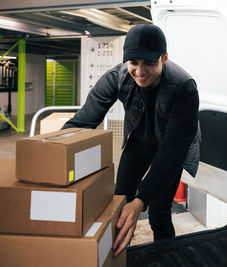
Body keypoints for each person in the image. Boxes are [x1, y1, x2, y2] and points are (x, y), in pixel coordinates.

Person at [62, 23, 200, 257]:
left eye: (149, 62)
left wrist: (141, 201)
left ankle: (164, 258)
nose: (139, 70)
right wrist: (53, 150)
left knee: (158, 212)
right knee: (118, 199)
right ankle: (115, 257)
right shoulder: (117, 78)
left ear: (163, 58)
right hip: (139, 141)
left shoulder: (184, 87)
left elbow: (172, 152)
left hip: (169, 147)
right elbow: (83, 121)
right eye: (134, 62)